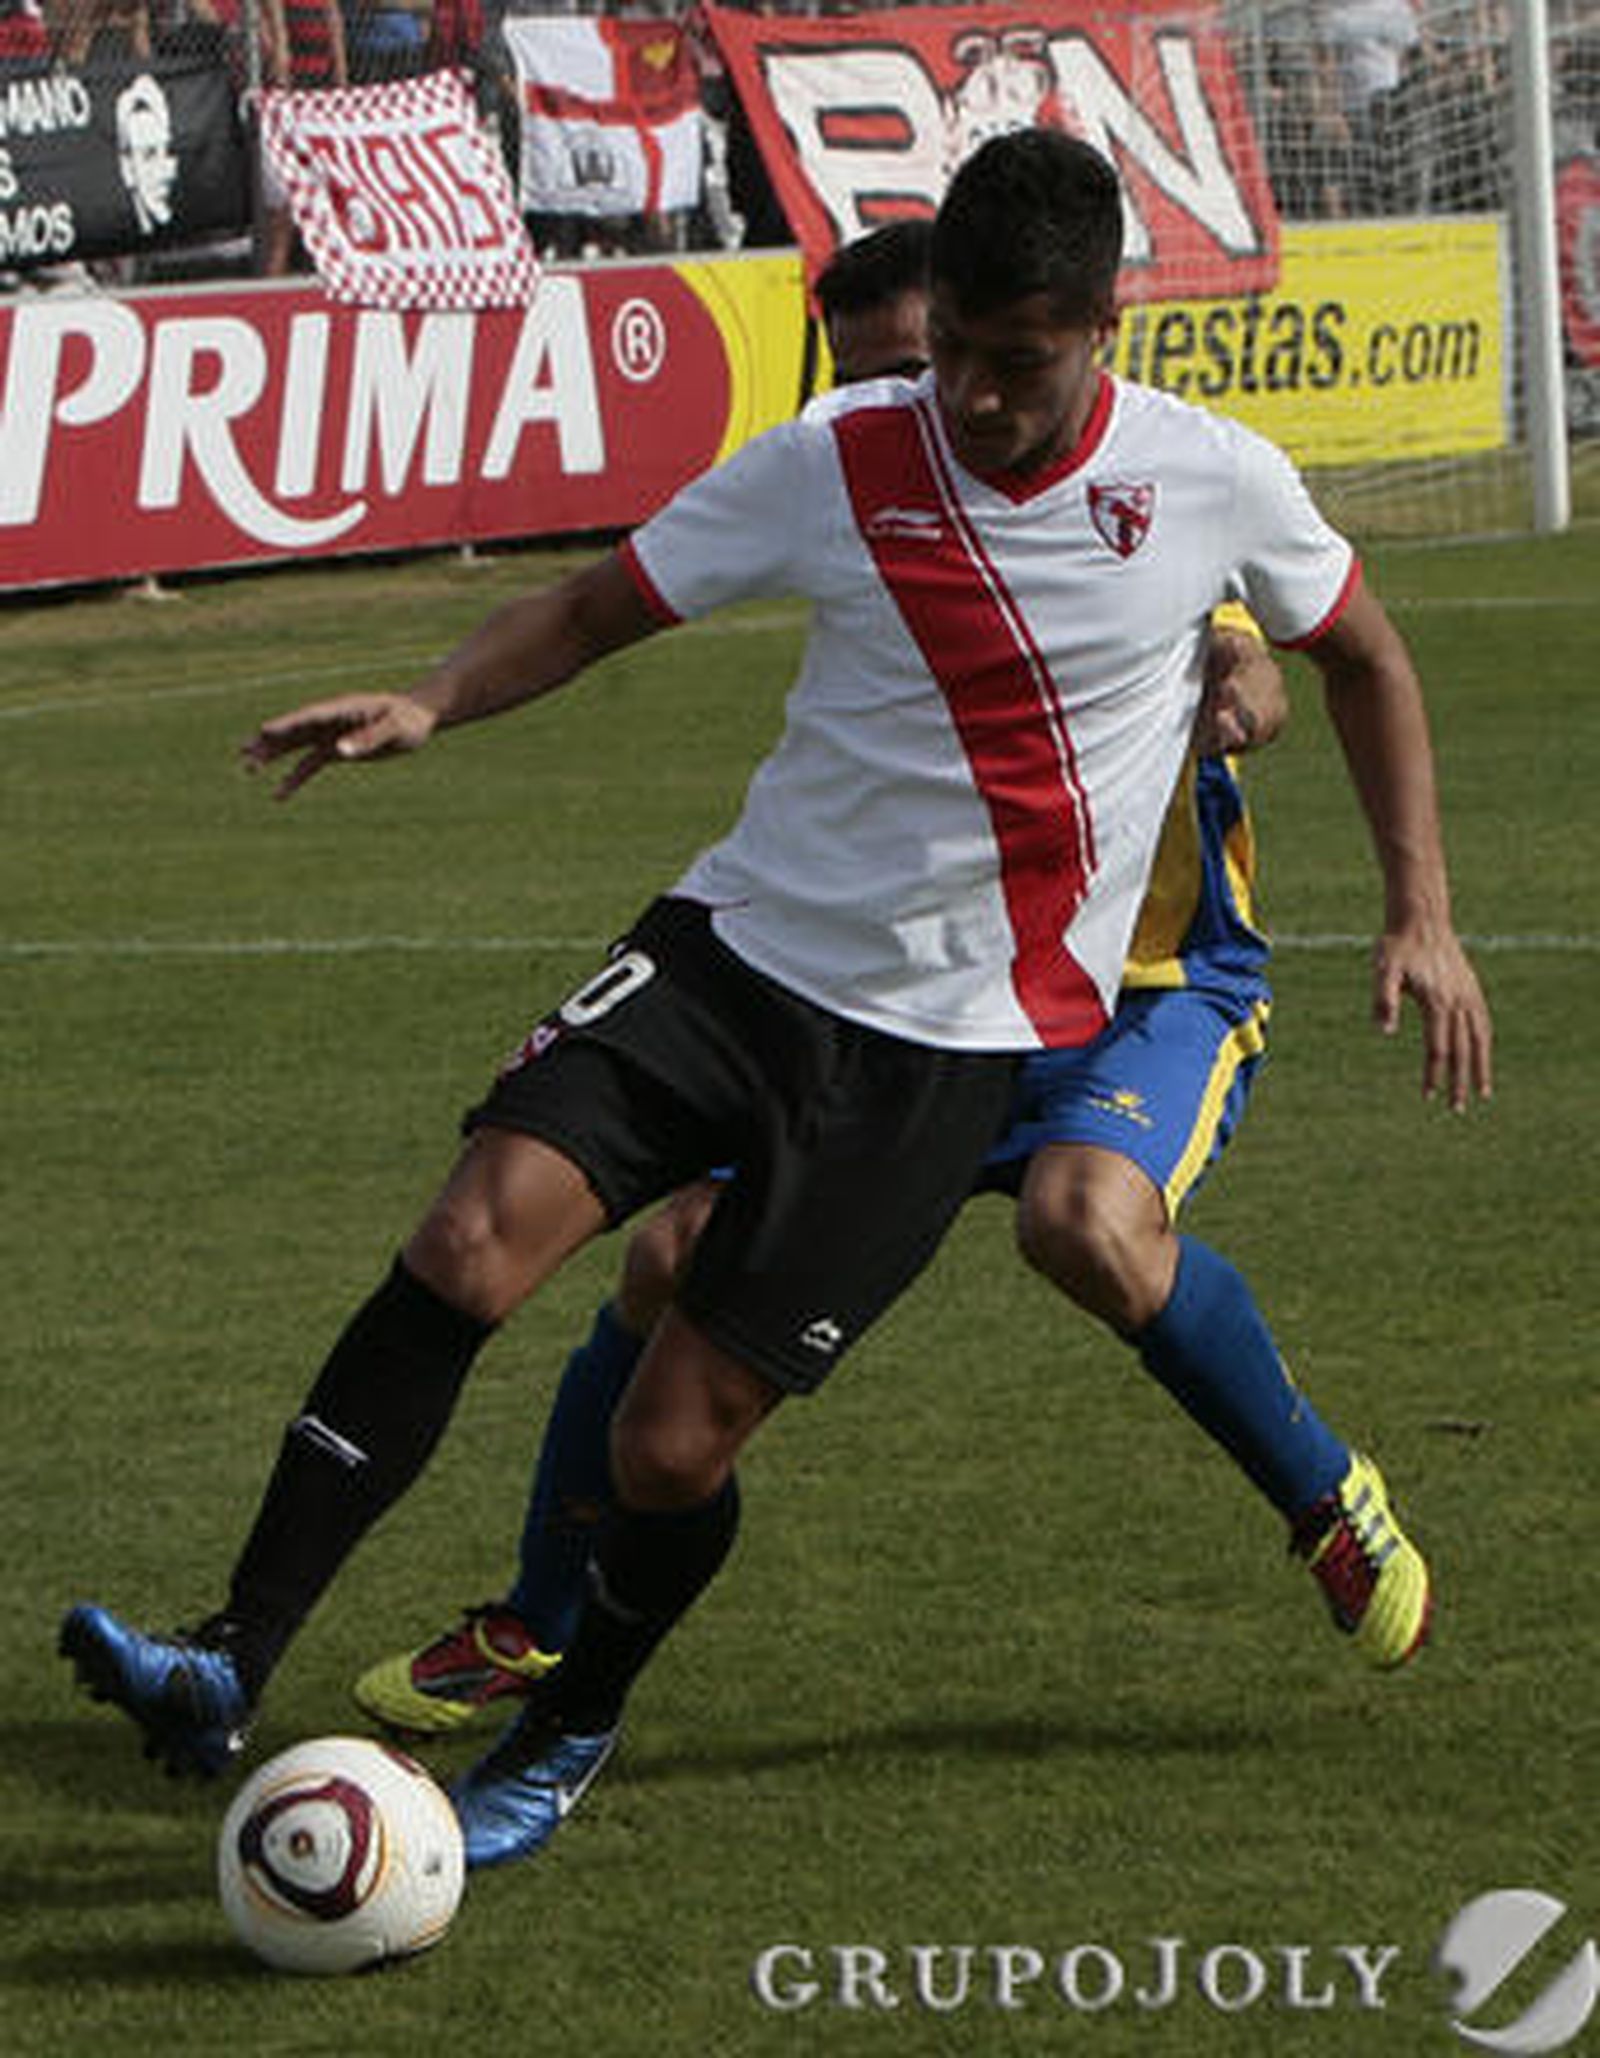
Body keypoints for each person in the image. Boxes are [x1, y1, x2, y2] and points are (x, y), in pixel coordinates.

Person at [60, 136, 1491, 1869]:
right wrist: (438, 698)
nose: (966, 391)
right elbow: (602, 603)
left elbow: (1370, 655)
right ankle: (229, 1653)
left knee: (673, 1447)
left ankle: (570, 1721)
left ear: (1104, 328)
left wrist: (1421, 909)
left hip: (940, 1047)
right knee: (465, 1245)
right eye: (948, 346)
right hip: (734, 955)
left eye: (1013, 363)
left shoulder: (1211, 482)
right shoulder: (838, 456)